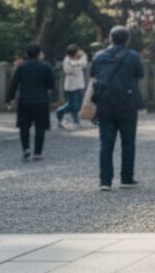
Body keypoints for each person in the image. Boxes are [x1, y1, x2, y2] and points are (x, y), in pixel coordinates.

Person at [91, 26, 145, 191]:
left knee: (106, 144)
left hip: (105, 104)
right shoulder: (133, 56)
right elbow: (140, 74)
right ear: (127, 39)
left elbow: (93, 74)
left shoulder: (99, 56)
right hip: (127, 104)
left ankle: (105, 181)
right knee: (128, 143)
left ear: (110, 38)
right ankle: (126, 179)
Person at [6, 43, 55, 161]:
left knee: (24, 126)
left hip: (25, 100)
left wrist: (9, 99)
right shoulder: (45, 67)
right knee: (40, 127)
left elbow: (14, 84)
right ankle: (38, 152)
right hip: (41, 100)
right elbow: (51, 84)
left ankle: (26, 149)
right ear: (39, 54)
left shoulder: (22, 67)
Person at [56, 44, 88, 129]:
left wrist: (77, 62)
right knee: (74, 105)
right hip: (71, 86)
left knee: (76, 104)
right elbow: (68, 70)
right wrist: (76, 63)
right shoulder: (67, 60)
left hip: (79, 84)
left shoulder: (79, 58)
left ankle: (60, 111)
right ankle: (75, 121)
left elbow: (84, 63)